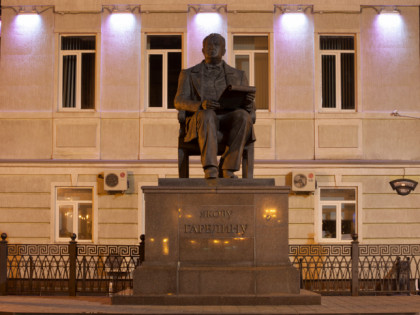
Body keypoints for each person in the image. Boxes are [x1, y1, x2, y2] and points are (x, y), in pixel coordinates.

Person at [174, 33, 256, 179]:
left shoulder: (239, 75)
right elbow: (179, 101)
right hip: (202, 120)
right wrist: (200, 105)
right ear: (203, 50)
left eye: (216, 45)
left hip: (228, 120)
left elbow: (249, 109)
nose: (212, 48)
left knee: (243, 116)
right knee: (207, 114)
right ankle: (210, 167)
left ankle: (228, 167)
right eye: (208, 46)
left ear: (224, 51)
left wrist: (248, 102)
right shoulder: (188, 74)